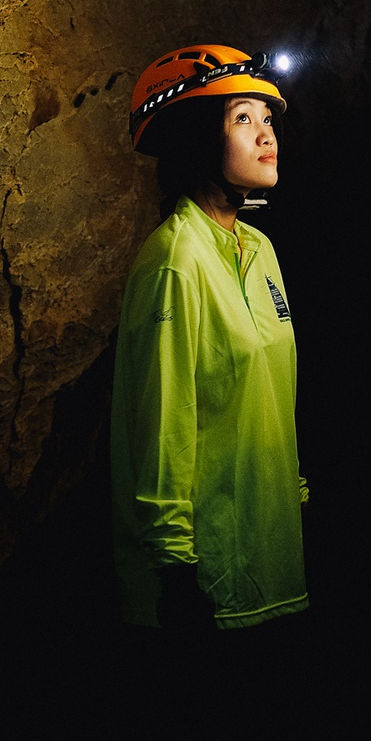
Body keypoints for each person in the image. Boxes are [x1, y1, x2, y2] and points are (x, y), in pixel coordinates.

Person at [110, 43, 308, 637]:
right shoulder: (176, 260)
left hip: (274, 561)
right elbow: (163, 422)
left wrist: (292, 497)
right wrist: (174, 566)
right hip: (210, 585)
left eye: (267, 119)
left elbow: (270, 393)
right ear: (199, 138)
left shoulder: (260, 249)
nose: (265, 135)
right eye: (242, 118)